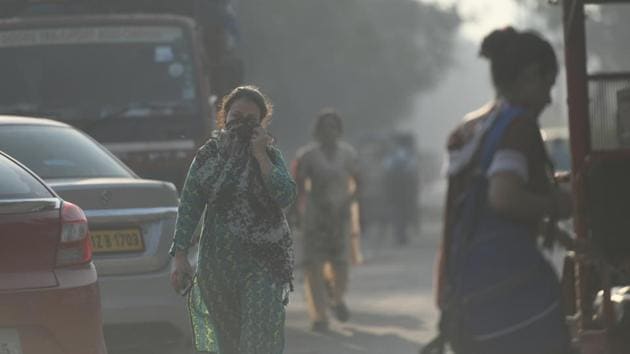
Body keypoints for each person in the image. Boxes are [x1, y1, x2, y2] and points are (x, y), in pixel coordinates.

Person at [430, 27, 574, 354]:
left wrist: (567, 240)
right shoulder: (519, 125)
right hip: (511, 295)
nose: (550, 98)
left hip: (468, 292)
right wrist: (560, 204)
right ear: (529, 76)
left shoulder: (478, 128)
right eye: (549, 85)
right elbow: (503, 197)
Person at [169, 85, 296, 354]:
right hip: (217, 267)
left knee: (257, 341)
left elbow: (285, 195)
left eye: (251, 120)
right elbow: (189, 206)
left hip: (264, 262)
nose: (242, 125)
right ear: (224, 118)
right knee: (228, 344)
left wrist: (260, 155)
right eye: (236, 117)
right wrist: (180, 257)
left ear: (261, 125)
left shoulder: (271, 157)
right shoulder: (208, 157)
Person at [294, 109, 361, 332]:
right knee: (314, 266)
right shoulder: (308, 155)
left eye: (333, 126)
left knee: (341, 263)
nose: (328, 131)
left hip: (340, 216)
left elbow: (359, 182)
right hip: (315, 217)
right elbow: (299, 186)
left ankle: (337, 299)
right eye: (324, 127)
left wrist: (350, 202)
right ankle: (319, 315)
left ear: (339, 130)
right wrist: (294, 212)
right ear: (317, 131)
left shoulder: (349, 154)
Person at [383, 132, 421, 245]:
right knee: (404, 210)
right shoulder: (408, 154)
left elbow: (386, 169)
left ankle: (399, 233)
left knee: (397, 211)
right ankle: (403, 232)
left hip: (395, 187)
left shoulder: (392, 154)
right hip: (405, 187)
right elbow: (412, 170)